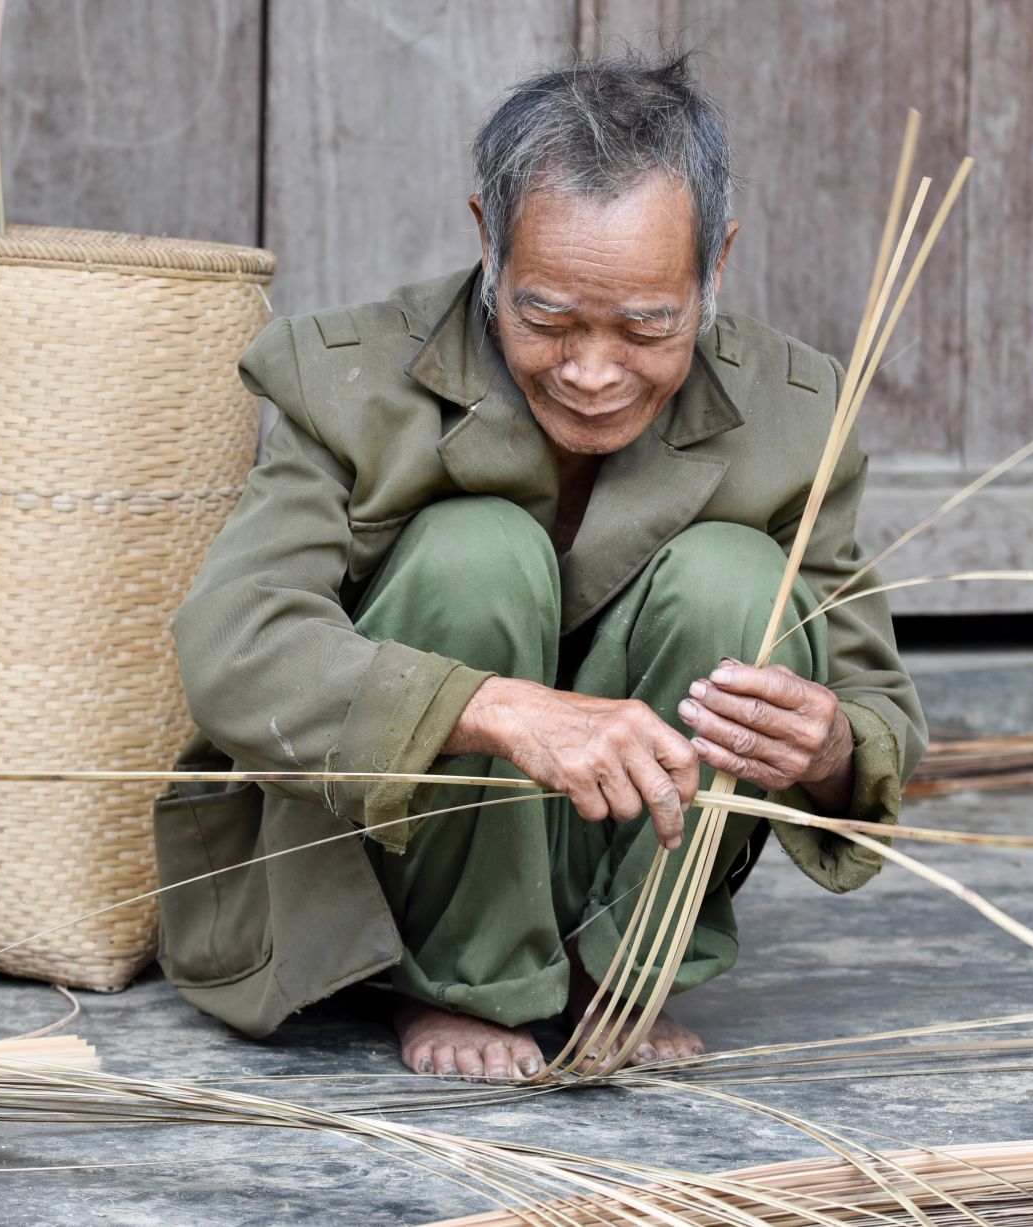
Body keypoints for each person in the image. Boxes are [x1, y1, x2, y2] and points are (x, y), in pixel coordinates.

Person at [154, 50, 926, 1082]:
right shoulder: (349, 383)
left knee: (737, 579)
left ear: (717, 264)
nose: (596, 372)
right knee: (475, 553)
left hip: (631, 864)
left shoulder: (794, 415)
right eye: (547, 318)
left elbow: (877, 703)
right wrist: (494, 709)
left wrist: (827, 745)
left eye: (650, 327)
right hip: (379, 878)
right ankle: (456, 976)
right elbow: (234, 651)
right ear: (487, 242)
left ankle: (625, 965)